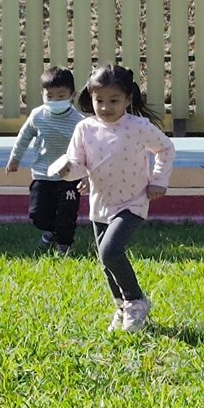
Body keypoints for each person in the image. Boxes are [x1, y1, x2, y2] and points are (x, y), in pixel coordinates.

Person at [51, 64, 175, 333]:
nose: (105, 107)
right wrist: (67, 170)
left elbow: (166, 148)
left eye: (114, 101)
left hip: (133, 201)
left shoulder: (138, 127)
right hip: (100, 204)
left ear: (128, 99)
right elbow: (78, 165)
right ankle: (122, 307)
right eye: (99, 101)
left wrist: (158, 181)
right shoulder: (85, 129)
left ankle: (136, 301)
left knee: (110, 251)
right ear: (91, 98)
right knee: (105, 261)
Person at [5, 66, 85, 255]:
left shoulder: (79, 122)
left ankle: (64, 247)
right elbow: (24, 137)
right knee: (37, 215)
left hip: (69, 178)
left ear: (72, 95)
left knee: (67, 215)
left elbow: (86, 149)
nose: (55, 100)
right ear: (42, 94)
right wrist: (15, 159)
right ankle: (50, 232)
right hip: (42, 175)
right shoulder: (37, 115)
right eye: (50, 96)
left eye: (61, 96)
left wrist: (85, 175)